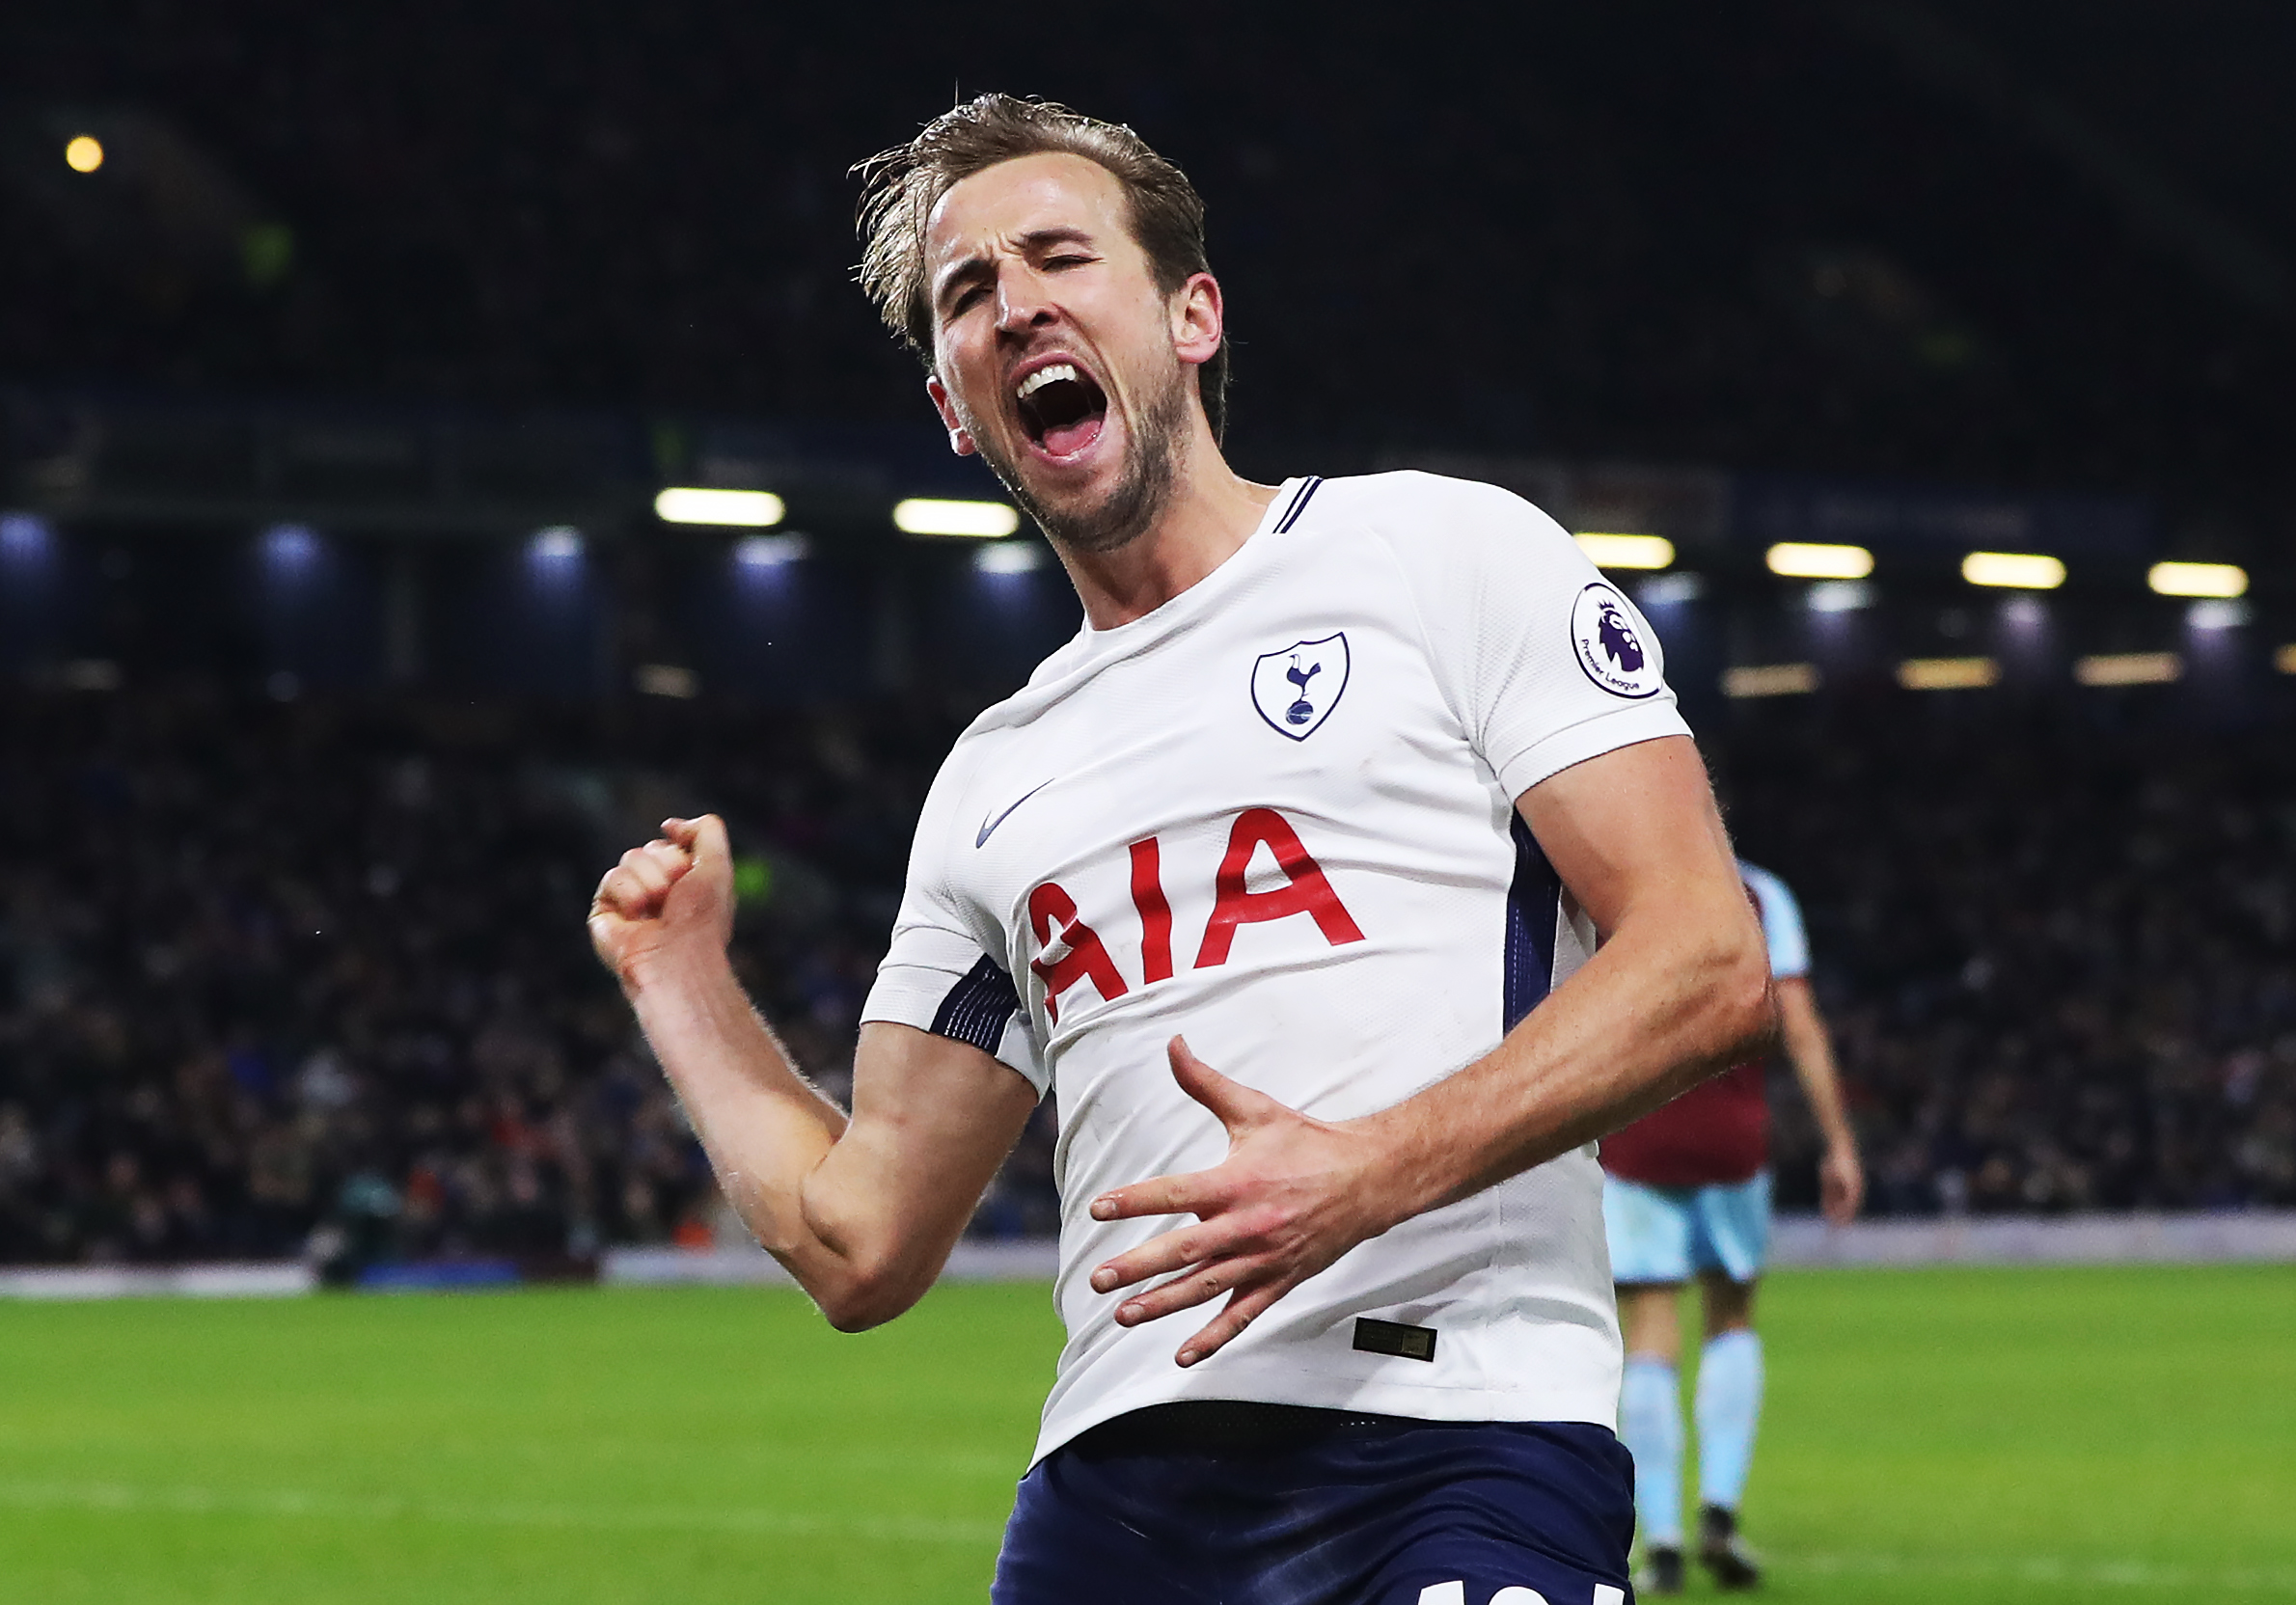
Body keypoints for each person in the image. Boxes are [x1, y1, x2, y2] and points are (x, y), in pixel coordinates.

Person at [588, 95, 1774, 1605]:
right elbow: (860, 1239)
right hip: (1113, 1500)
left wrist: (1367, 1173)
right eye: (968, 295)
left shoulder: (1440, 556)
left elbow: (1707, 958)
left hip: (1452, 1438)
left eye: (1060, 259)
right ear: (955, 410)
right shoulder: (992, 784)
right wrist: (675, 978)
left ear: (1191, 315)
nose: (1016, 307)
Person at [1599, 860, 1864, 1593]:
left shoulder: (1615, 884)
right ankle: (1720, 1506)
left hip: (1637, 1135)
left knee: (1651, 1333)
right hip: (1732, 1138)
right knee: (1733, 1319)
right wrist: (1838, 1142)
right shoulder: (1760, 894)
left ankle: (1662, 1542)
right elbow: (1799, 1024)